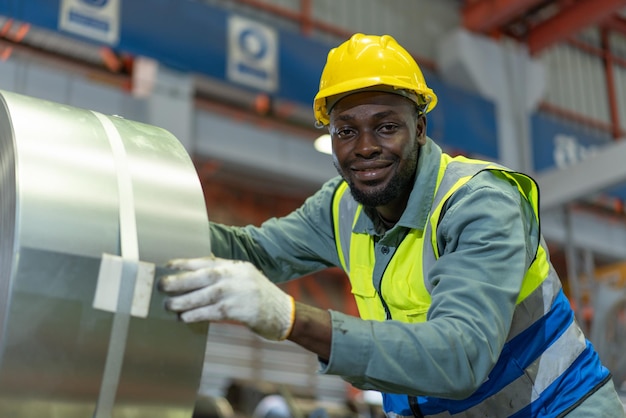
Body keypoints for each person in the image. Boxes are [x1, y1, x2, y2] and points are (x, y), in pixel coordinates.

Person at [158, 33, 625, 417]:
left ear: (420, 128)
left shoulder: (480, 205)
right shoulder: (341, 208)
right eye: (346, 130)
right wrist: (144, 224)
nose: (364, 147)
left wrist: (289, 319)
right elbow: (255, 253)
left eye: (386, 126)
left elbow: (461, 356)